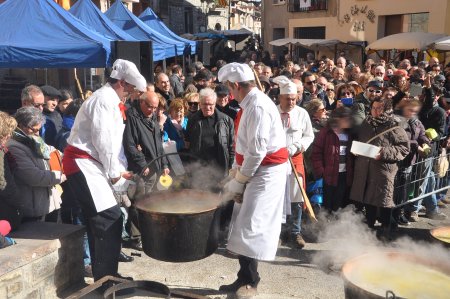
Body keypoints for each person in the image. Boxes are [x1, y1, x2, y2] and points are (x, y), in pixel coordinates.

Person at [62, 59, 146, 286]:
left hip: (90, 164)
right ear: (122, 83)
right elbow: (104, 141)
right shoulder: (104, 100)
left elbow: (112, 145)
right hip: (82, 164)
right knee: (109, 217)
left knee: (102, 219)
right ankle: (106, 279)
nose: (130, 95)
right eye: (130, 90)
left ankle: (106, 276)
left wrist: (118, 170)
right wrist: (114, 174)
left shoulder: (109, 100)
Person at [218, 63, 288, 298]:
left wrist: (240, 180)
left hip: (266, 173)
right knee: (242, 223)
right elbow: (245, 146)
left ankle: (251, 281)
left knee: (252, 227)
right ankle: (243, 276)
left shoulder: (257, 106)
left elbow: (257, 151)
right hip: (254, 169)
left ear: (236, 85)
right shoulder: (248, 104)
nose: (229, 93)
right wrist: (235, 172)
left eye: (230, 88)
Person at [350, 98, 410, 234]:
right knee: (368, 202)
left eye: (379, 108)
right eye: (373, 108)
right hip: (364, 170)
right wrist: (356, 149)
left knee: (384, 204)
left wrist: (383, 153)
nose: (376, 111)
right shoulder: (366, 123)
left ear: (386, 109)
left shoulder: (394, 125)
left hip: (383, 171)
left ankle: (386, 234)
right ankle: (369, 235)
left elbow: (404, 148)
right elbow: (360, 141)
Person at [274, 76, 314, 249]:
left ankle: (295, 231)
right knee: (277, 197)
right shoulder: (272, 112)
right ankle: (278, 232)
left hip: (295, 159)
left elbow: (309, 135)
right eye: (287, 99)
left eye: (293, 98)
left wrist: (297, 146)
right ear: (280, 98)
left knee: (296, 197)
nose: (291, 102)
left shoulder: (302, 113)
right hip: (276, 161)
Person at [8, 107, 65, 223]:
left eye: (39, 129)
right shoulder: (13, 146)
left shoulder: (34, 140)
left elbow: (55, 153)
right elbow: (33, 177)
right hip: (33, 208)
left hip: (50, 203)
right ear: (20, 126)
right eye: (33, 130)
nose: (37, 134)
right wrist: (61, 176)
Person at [185, 88, 234, 188]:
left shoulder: (226, 120)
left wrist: (230, 167)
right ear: (200, 104)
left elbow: (231, 146)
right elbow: (188, 143)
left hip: (219, 166)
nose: (207, 107)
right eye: (204, 104)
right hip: (199, 166)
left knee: (217, 198)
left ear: (215, 103)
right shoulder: (192, 119)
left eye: (210, 104)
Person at [312, 107, 354, 213]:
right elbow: (316, 153)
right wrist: (321, 172)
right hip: (328, 175)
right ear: (338, 119)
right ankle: (325, 227)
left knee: (339, 204)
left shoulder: (350, 134)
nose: (350, 121)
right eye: (347, 118)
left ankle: (336, 226)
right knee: (327, 204)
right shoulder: (326, 132)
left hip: (344, 175)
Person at [0, 112, 21, 230]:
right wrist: (17, 201)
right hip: (4, 208)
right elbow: (2, 184)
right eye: (7, 132)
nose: (9, 135)